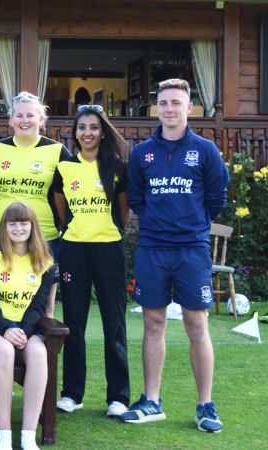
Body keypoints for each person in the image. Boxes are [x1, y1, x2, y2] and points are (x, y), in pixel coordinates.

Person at [122, 79, 228, 432]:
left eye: (175, 103)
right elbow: (137, 199)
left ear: (189, 109)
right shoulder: (142, 153)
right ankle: (152, 400)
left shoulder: (206, 151)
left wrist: (191, 225)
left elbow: (216, 198)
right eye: (164, 103)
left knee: (197, 325)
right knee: (153, 323)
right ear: (157, 109)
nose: (169, 109)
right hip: (152, 249)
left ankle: (205, 405)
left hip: (191, 250)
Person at [53, 104, 131, 417]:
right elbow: (61, 210)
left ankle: (118, 397)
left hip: (109, 249)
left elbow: (123, 212)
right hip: (73, 249)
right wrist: (76, 229)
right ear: (75, 132)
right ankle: (72, 393)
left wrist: (107, 230)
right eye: (82, 127)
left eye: (94, 127)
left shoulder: (116, 164)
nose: (87, 133)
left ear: (102, 131)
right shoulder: (65, 168)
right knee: (74, 322)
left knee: (114, 322)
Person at [0, 202, 57, 450]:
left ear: (33, 227)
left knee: (39, 353)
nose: (19, 228)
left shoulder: (44, 263)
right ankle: (3, 436)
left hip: (26, 327)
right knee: (5, 351)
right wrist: (6, 329)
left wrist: (24, 331)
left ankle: (28, 436)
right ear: (4, 227)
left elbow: (37, 306)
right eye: (13, 223)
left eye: (24, 223)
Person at [0, 91, 71, 317]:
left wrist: (65, 223)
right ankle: (0, 345)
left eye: (30, 115)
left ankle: (43, 351)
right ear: (10, 120)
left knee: (45, 306)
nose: (25, 121)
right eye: (19, 115)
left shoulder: (57, 151)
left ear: (41, 120)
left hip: (45, 234)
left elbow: (69, 190)